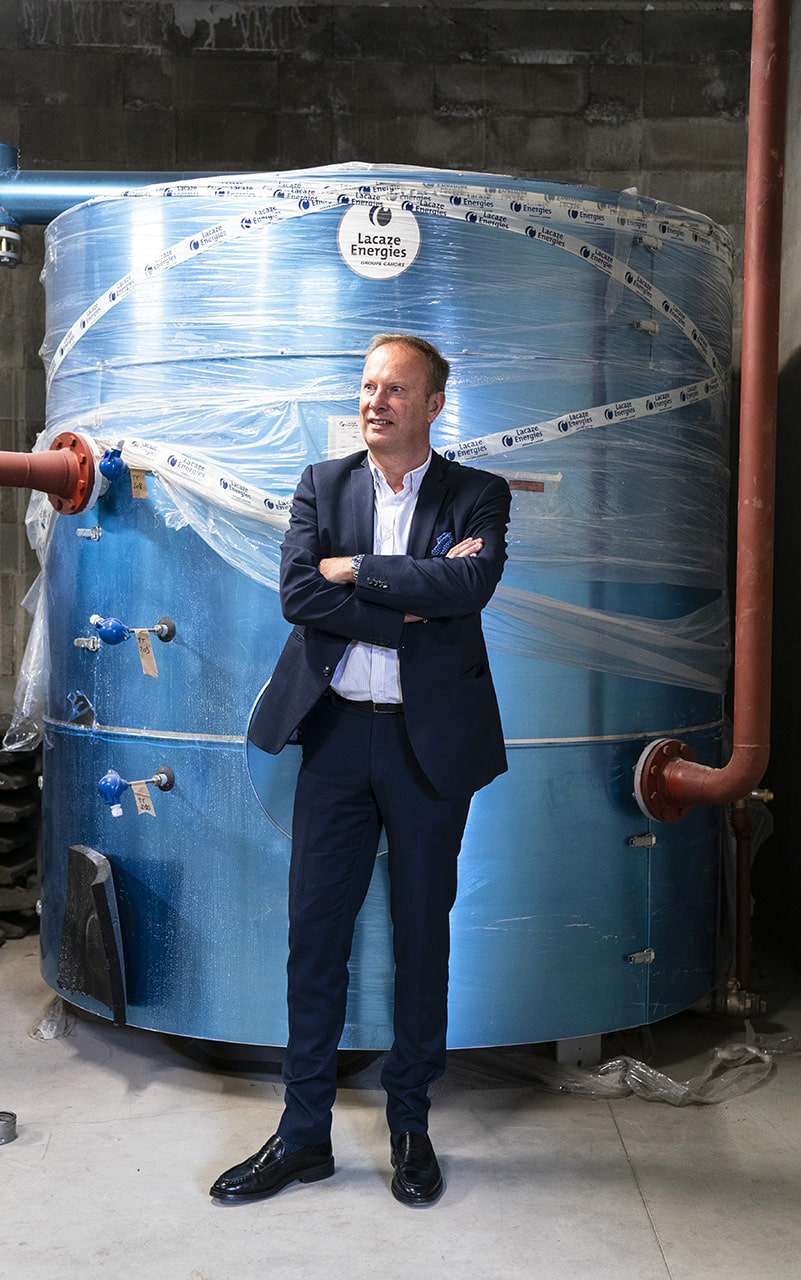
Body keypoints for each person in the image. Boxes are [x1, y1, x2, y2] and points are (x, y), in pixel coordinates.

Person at [210, 334, 511, 1207]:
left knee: (422, 936)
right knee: (315, 935)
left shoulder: (476, 493)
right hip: (336, 739)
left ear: (432, 405)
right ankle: (302, 1136)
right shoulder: (322, 483)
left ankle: (410, 1125)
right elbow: (300, 596)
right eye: (368, 385)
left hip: (429, 748)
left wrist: (363, 572)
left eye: (395, 389)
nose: (375, 400)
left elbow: (469, 591)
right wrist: (410, 602)